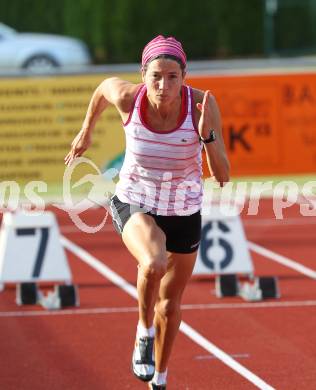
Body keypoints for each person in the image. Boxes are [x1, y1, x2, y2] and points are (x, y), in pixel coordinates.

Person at [65, 35, 230, 390]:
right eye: (156, 75)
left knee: (170, 307)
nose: (163, 85)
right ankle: (143, 332)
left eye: (173, 76)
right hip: (134, 199)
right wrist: (86, 130)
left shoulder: (202, 106)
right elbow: (102, 89)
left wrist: (208, 139)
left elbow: (223, 176)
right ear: (143, 74)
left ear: (185, 76)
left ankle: (161, 377)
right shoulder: (129, 98)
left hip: (184, 210)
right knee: (153, 261)